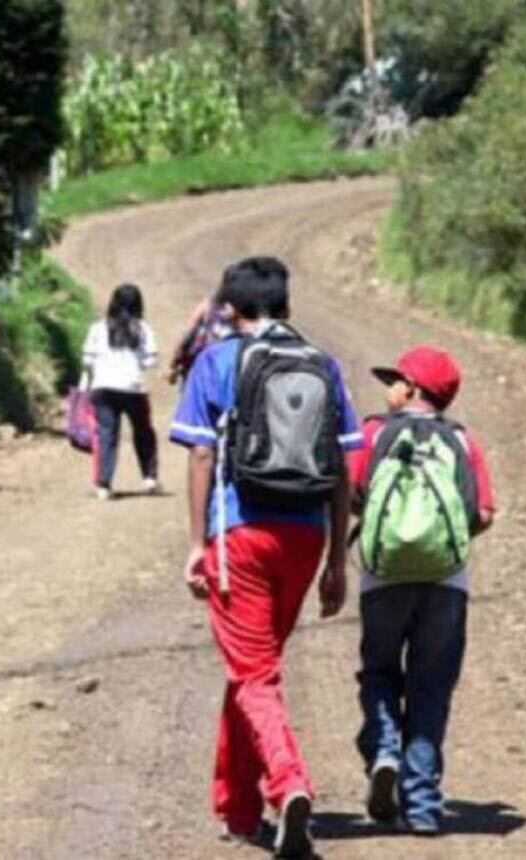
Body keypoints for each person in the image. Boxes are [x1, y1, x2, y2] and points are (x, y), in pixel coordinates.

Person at [170, 256, 363, 858]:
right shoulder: (322, 364)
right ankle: (238, 805)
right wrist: (335, 559)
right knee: (251, 668)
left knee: (253, 674)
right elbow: (340, 468)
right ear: (287, 305)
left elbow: (200, 457)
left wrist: (199, 544)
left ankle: (289, 785)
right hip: (304, 538)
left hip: (241, 536)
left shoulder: (217, 360)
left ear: (229, 310)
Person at [346, 347, 496, 835]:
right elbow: (483, 514)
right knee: (431, 686)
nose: (388, 388)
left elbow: (351, 494)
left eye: (394, 380)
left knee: (380, 672)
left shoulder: (374, 433)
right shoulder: (462, 441)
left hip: (384, 578)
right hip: (446, 584)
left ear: (411, 389)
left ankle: (385, 749)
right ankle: (425, 805)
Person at [81, 283, 160, 500]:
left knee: (107, 435)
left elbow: (87, 359)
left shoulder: (98, 328)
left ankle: (104, 484)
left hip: (103, 387)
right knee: (143, 431)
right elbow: (150, 359)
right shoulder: (143, 329)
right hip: (133, 387)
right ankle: (149, 477)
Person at [167, 292, 233, 386]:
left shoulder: (207, 305)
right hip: (225, 368)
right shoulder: (244, 313)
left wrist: (174, 363)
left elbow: (187, 332)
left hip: (198, 362)